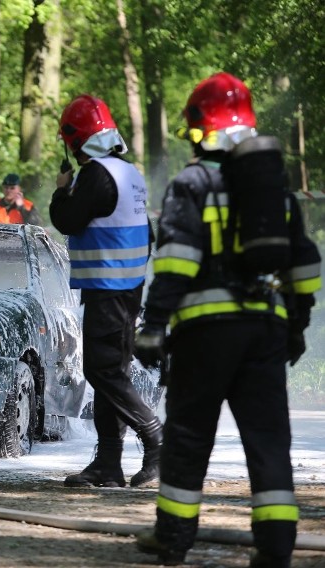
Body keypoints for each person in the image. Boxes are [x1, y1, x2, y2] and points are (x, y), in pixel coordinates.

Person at [133, 72, 321, 567]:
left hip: (205, 334)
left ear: (200, 127)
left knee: (189, 436)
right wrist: (297, 324)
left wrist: (153, 324)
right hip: (266, 331)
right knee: (268, 441)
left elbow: (175, 261)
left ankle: (172, 539)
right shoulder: (275, 190)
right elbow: (304, 262)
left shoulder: (192, 182)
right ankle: (276, 550)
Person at [48, 94, 162, 489]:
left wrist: (62, 189)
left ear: (75, 141)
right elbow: (148, 233)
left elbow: (67, 220)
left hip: (109, 289)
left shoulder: (95, 175)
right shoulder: (129, 173)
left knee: (102, 370)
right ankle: (109, 464)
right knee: (108, 373)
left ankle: (155, 437)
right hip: (126, 288)